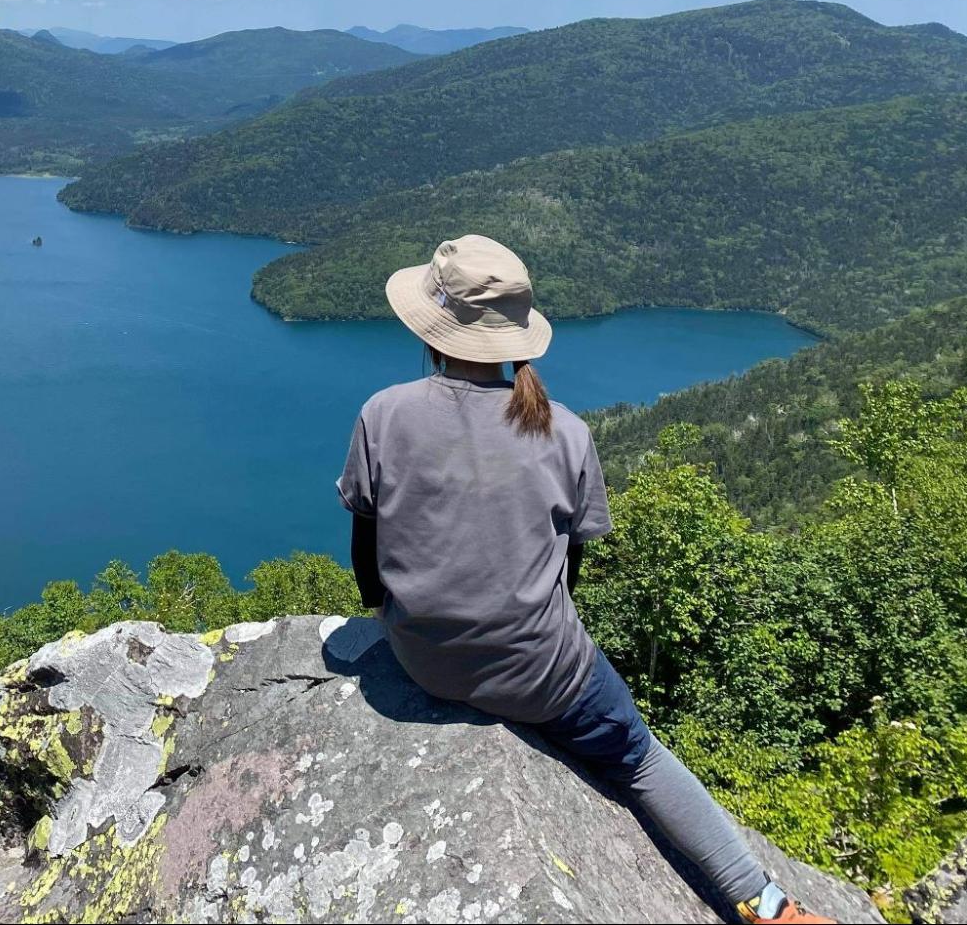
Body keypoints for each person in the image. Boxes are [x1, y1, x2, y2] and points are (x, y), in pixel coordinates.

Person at [337, 234, 833, 925]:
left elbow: (367, 542)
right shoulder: (562, 431)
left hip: (422, 661)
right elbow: (568, 568)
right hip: (546, 678)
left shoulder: (383, 413)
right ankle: (764, 903)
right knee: (637, 758)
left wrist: (382, 616)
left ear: (433, 329)